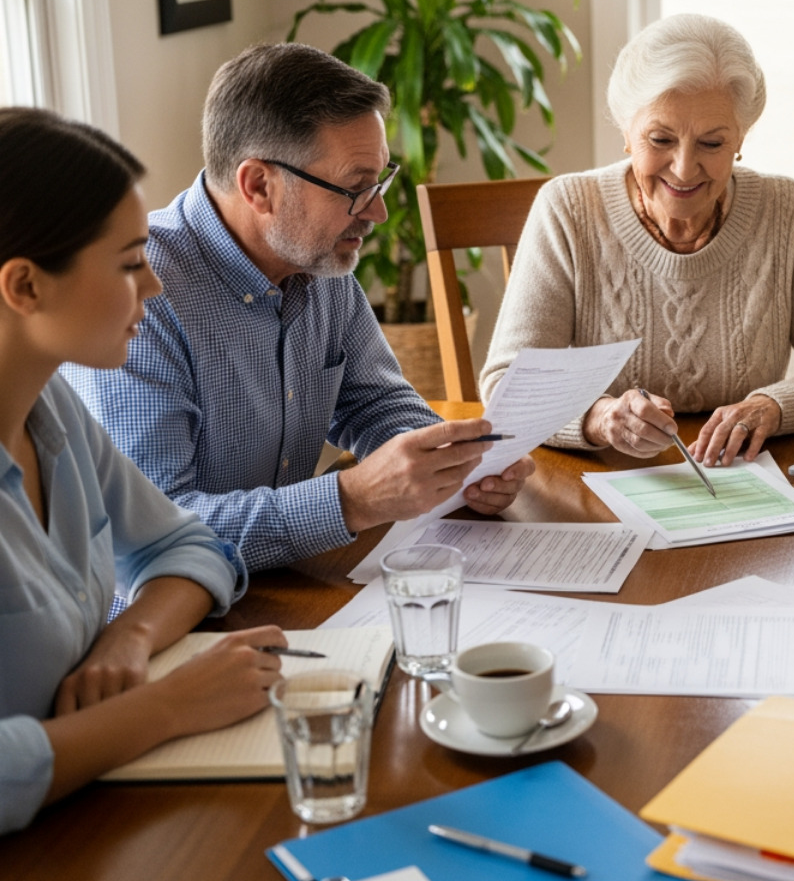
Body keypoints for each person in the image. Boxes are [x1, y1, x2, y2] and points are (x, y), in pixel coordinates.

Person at [63, 44, 534, 572]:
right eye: (356, 188)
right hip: (162, 625)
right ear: (259, 185)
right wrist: (352, 499)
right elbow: (154, 533)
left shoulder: (317, 260)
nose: (377, 211)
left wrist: (456, 467)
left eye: (380, 180)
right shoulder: (139, 299)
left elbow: (373, 402)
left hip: (280, 586)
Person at [0, 108, 286, 833]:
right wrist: (166, 705)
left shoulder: (51, 406)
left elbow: (191, 547)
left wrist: (129, 637)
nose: (155, 288)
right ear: (25, 287)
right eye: (130, 263)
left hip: (88, 815)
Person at [480, 13, 794, 467]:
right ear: (626, 132)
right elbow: (508, 385)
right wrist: (601, 418)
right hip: (604, 477)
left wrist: (773, 406)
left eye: (712, 143)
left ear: (740, 139)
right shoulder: (568, 208)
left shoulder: (787, 210)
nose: (685, 168)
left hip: (743, 478)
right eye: (660, 138)